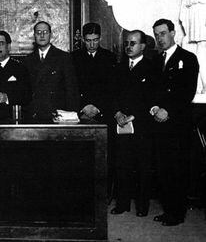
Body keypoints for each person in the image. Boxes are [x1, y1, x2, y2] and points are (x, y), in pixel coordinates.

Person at [151, 19, 199, 226]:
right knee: (162, 168)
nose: (160, 38)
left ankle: (177, 213)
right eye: (156, 35)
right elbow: (150, 91)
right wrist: (154, 108)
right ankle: (168, 209)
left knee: (177, 170)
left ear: (173, 33)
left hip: (177, 125)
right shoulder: (154, 60)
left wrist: (167, 110)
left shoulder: (187, 58)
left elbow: (186, 92)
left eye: (163, 33)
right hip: (158, 122)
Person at [110, 30, 155, 218]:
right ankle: (122, 204)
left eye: (133, 43)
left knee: (143, 167)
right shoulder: (118, 68)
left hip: (142, 125)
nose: (129, 47)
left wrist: (134, 116)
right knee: (122, 165)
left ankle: (142, 206)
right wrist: (118, 113)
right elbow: (111, 94)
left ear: (143, 46)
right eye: (127, 43)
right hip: (121, 124)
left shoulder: (151, 68)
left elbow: (152, 97)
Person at [24, 21, 80, 120]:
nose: (42, 35)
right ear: (34, 36)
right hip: (34, 115)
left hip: (57, 114)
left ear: (50, 34)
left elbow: (71, 90)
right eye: (38, 32)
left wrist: (70, 116)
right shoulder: (28, 60)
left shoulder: (63, 58)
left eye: (45, 32)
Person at [72, 22, 117, 122]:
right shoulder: (74, 58)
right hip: (80, 111)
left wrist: (98, 108)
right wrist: (83, 107)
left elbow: (112, 87)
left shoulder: (109, 57)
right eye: (88, 41)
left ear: (100, 38)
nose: (92, 45)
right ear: (83, 40)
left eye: (95, 40)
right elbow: (72, 87)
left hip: (103, 111)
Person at [0, 30, 31, 120]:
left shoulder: (20, 68)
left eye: (0, 44)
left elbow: (26, 95)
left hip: (10, 120)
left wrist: (7, 98)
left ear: (8, 46)